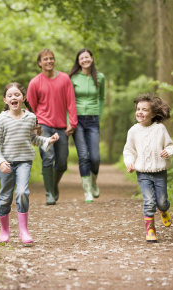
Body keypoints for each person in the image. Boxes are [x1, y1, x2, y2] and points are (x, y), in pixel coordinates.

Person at [0, 82, 59, 244]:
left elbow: (33, 138)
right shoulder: (1, 120)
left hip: (24, 162)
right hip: (6, 163)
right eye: (10, 96)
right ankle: (5, 230)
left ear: (22, 98)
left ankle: (23, 231)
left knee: (22, 192)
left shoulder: (30, 117)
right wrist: (0, 162)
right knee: (5, 197)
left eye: (17, 94)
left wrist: (48, 141)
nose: (13, 97)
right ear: (5, 100)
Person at [27, 49, 78, 205]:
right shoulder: (35, 82)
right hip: (43, 126)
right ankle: (49, 193)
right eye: (45, 59)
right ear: (39, 63)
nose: (49, 61)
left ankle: (53, 185)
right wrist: (34, 127)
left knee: (62, 162)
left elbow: (71, 101)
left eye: (51, 58)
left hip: (61, 127)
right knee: (48, 157)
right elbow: (30, 108)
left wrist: (73, 122)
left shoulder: (64, 79)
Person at [123, 93, 173, 243]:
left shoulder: (160, 129)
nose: (140, 112)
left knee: (161, 201)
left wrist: (168, 152)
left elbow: (171, 145)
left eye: (144, 109)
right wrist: (129, 162)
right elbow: (129, 150)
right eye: (138, 109)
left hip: (160, 172)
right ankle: (150, 229)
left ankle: (164, 209)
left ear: (153, 114)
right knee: (149, 201)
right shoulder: (133, 131)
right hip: (143, 173)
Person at [69, 48, 105, 203]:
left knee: (95, 157)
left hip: (93, 120)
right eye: (81, 58)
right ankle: (87, 191)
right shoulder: (73, 78)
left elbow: (102, 97)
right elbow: (68, 101)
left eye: (87, 57)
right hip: (77, 120)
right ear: (78, 61)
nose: (84, 60)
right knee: (83, 156)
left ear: (91, 58)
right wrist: (69, 121)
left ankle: (94, 181)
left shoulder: (100, 77)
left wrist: (99, 113)